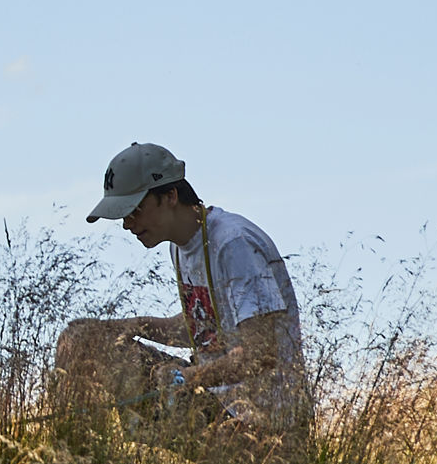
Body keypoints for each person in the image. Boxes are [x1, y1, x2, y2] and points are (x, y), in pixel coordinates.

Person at [51, 142, 309, 436]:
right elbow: (204, 328)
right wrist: (136, 326)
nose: (126, 225)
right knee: (83, 337)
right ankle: (72, 455)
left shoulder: (233, 243)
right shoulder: (180, 246)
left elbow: (260, 353)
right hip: (216, 401)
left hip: (262, 425)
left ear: (170, 196)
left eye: (134, 210)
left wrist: (187, 378)